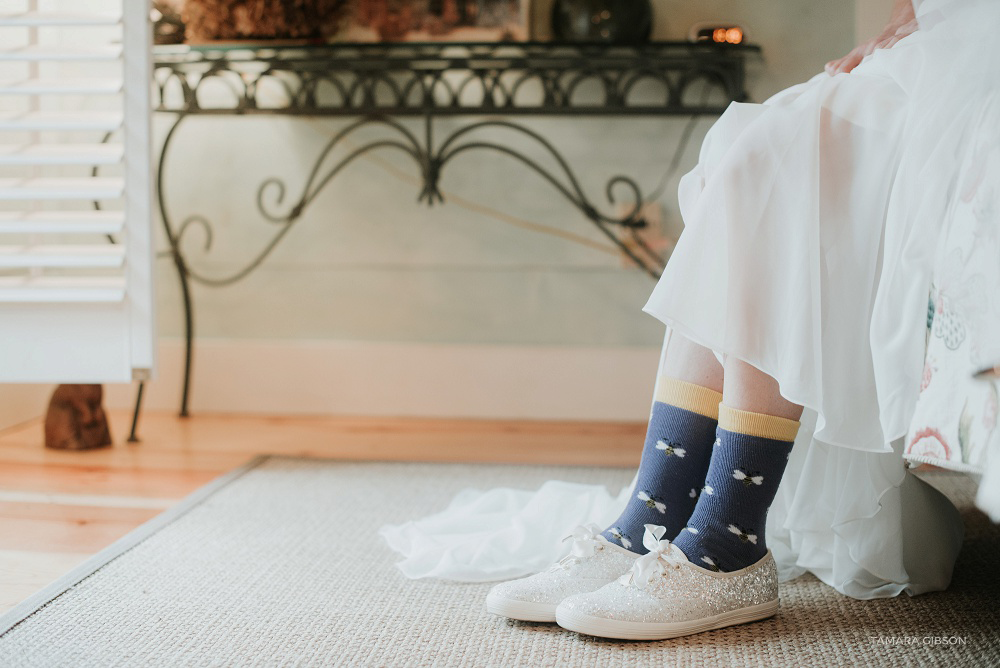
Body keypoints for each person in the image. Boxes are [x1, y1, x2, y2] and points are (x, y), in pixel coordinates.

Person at [381, 0, 998, 641]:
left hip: (980, 56)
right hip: (948, 36)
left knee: (773, 159)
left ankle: (730, 536)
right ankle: (657, 516)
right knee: (742, 149)